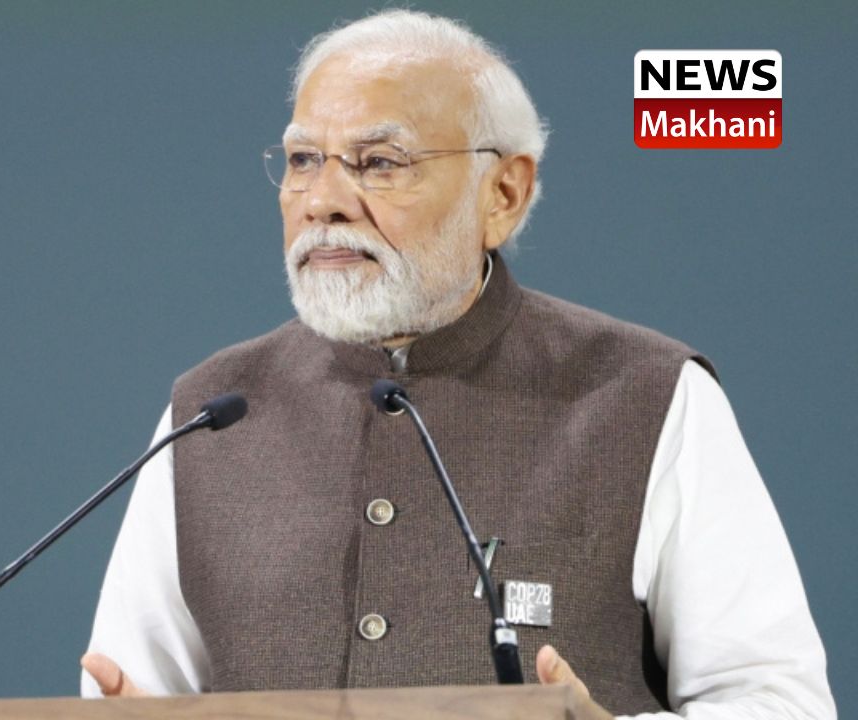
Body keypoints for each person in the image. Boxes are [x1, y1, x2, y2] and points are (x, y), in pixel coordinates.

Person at [79, 10, 834, 719]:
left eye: (380, 162)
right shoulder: (211, 411)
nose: (322, 200)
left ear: (503, 193)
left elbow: (782, 702)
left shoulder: (647, 396)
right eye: (304, 159)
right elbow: (127, 691)